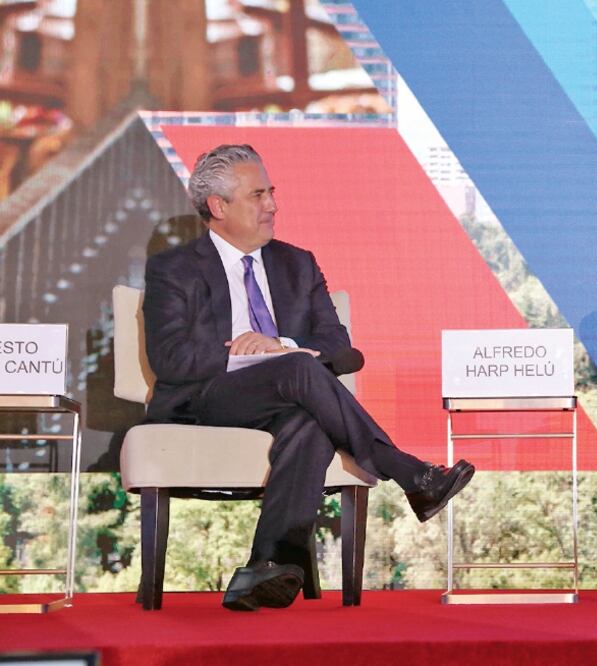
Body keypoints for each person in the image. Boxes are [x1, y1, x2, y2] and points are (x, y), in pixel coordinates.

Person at [142, 144, 475, 611]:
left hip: (290, 396)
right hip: (207, 398)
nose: (273, 205)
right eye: (257, 195)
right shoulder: (173, 267)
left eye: (271, 192)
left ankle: (265, 566)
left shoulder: (297, 263)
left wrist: (282, 349)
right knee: (300, 370)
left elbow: (342, 351)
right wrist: (246, 350)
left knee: (308, 421)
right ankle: (406, 470)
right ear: (218, 207)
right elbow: (170, 357)